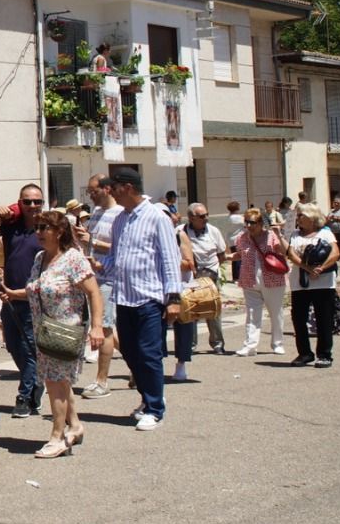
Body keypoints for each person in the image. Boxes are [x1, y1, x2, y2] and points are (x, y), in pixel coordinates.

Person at [93, 168, 182, 431]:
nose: (110, 192)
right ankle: (148, 397)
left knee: (148, 354)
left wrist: (174, 297)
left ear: (128, 187)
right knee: (131, 353)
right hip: (124, 297)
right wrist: (98, 265)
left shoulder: (157, 217)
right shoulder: (120, 219)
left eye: (114, 187)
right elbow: (117, 258)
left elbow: (170, 259)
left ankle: (155, 409)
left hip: (149, 298)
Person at [26, 211, 105, 458]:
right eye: (36, 227)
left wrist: (97, 326)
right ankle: (76, 426)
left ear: (58, 232)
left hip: (64, 332)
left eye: (43, 228)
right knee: (59, 381)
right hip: (44, 331)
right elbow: (38, 289)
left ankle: (57, 437)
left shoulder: (73, 259)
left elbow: (94, 293)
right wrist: (13, 293)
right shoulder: (40, 258)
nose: (38, 232)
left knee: (54, 382)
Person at [0, 185, 46, 417]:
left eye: (37, 201)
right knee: (14, 347)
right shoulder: (11, 228)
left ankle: (24, 396)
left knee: (29, 349)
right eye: (27, 202)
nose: (32, 206)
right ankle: (36, 383)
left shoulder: (47, 230)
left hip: (35, 299)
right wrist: (6, 211)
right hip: (9, 296)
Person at [76, 172, 122, 398]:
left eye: (94, 191)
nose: (91, 196)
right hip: (91, 275)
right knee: (108, 330)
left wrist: (91, 241)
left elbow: (119, 247)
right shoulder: (95, 213)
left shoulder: (119, 214)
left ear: (107, 189)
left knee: (103, 328)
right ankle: (136, 367)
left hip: (108, 277)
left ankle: (102, 381)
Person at [284, 203, 340, 368]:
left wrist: (321, 268)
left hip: (323, 282)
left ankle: (324, 354)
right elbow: (291, 254)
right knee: (299, 319)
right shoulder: (294, 234)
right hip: (300, 283)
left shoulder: (325, 233)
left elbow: (335, 252)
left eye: (302, 215)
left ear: (311, 218)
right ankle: (304, 353)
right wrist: (307, 268)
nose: (299, 218)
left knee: (324, 318)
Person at [174, 202, 229, 374]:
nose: (205, 218)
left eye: (206, 215)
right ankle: (191, 344)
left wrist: (212, 270)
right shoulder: (181, 232)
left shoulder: (213, 231)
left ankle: (217, 343)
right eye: (201, 216)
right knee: (191, 311)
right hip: (192, 276)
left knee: (214, 310)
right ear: (191, 218)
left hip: (211, 275)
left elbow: (221, 254)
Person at [232, 209, 289, 356]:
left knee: (275, 313)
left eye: (253, 222)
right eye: (247, 222)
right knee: (252, 314)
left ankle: (277, 343)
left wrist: (279, 235)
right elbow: (241, 254)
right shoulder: (242, 238)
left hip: (273, 280)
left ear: (261, 223)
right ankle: (250, 345)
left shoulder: (271, 236)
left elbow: (284, 251)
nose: (249, 226)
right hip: (249, 280)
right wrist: (226, 257)